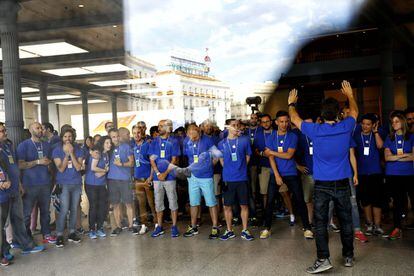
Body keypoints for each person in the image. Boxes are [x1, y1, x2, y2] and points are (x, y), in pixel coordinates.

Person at [288, 81, 358, 273]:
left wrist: (291, 103)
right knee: (346, 221)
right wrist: (350, 96)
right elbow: (354, 113)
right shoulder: (346, 127)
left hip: (322, 185)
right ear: (337, 113)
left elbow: (294, 119)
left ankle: (323, 258)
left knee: (320, 223)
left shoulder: (315, 130)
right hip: (343, 183)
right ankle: (348, 256)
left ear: (322, 114)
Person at [263, 111, 313, 239]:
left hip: (291, 172)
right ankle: (266, 228)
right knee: (269, 201)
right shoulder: (271, 137)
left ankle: (307, 228)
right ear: (276, 122)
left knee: (300, 200)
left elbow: (289, 155)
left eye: (286, 121)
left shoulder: (292, 136)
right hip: (276, 173)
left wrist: (272, 152)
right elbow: (270, 159)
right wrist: (277, 175)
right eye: (281, 121)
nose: (284, 124)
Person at [17, 122, 56, 244]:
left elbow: (50, 162)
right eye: (37, 128)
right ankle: (26, 237)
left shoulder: (47, 145)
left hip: (45, 183)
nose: (40, 130)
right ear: (30, 130)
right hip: (29, 184)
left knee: (46, 211)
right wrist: (38, 162)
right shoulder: (24, 145)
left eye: (41, 128)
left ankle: (46, 234)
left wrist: (50, 170)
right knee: (27, 213)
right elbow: (20, 164)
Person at [218, 119, 254, 241]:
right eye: (233, 125)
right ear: (227, 127)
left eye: (238, 125)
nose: (236, 127)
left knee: (244, 204)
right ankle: (229, 230)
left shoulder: (244, 140)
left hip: (242, 177)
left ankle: (244, 229)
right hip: (228, 178)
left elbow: (248, 156)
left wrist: (241, 167)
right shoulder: (221, 143)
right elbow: (221, 161)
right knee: (227, 206)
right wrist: (230, 169)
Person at [182, 125, 220, 239]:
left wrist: (209, 167)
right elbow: (187, 157)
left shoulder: (207, 140)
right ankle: (193, 227)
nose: (192, 136)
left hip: (206, 176)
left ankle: (215, 227)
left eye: (194, 133)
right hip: (192, 176)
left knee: (211, 202)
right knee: (194, 202)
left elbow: (217, 156)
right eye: (189, 133)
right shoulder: (186, 141)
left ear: (199, 132)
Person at [383, 113, 414, 240]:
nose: (394, 124)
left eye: (396, 121)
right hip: (393, 175)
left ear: (403, 122)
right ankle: (397, 228)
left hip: (409, 174)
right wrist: (405, 155)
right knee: (397, 202)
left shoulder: (411, 137)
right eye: (392, 122)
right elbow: (387, 158)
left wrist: (396, 157)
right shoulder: (389, 138)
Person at [352, 114, 385, 236]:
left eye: (368, 124)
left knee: (377, 200)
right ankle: (369, 224)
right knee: (366, 200)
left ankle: (377, 225)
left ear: (373, 125)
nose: (365, 126)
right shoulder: (356, 136)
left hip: (376, 172)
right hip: (362, 173)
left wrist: (375, 132)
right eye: (363, 124)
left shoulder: (377, 134)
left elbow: (380, 146)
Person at [53, 128, 84, 247]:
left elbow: (78, 167)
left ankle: (72, 232)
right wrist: (66, 154)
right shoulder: (57, 150)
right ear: (62, 138)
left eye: (70, 136)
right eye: (65, 136)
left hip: (76, 183)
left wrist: (72, 153)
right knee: (64, 209)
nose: (67, 139)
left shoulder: (78, 150)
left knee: (74, 209)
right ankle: (59, 234)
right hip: (63, 184)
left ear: (73, 137)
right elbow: (60, 168)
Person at [149, 120, 180, 238]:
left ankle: (174, 226)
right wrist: (158, 173)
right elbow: (152, 159)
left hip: (170, 176)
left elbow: (174, 159)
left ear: (169, 128)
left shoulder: (174, 141)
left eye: (162, 126)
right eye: (159, 126)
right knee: (158, 203)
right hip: (158, 178)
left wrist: (165, 173)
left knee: (173, 201)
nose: (159, 128)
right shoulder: (154, 142)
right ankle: (159, 226)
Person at [107, 128, 136, 236]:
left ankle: (131, 225)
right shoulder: (108, 148)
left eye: (117, 136)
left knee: (128, 203)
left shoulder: (126, 147)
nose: (115, 139)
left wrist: (122, 164)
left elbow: (132, 163)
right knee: (115, 204)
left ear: (120, 136)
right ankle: (118, 226)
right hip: (112, 179)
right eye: (113, 137)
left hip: (124, 179)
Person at [85, 137, 112, 239]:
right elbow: (93, 168)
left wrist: (102, 172)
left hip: (101, 184)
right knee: (94, 206)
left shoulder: (106, 154)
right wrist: (105, 171)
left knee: (102, 207)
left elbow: (99, 172)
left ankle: (100, 228)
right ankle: (92, 229)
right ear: (102, 144)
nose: (109, 145)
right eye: (107, 143)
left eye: (110, 143)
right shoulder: (97, 153)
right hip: (91, 184)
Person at [132, 125, 155, 235]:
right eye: (134, 133)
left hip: (147, 179)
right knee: (141, 204)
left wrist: (151, 177)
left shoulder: (147, 145)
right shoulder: (133, 146)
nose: (136, 135)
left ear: (142, 134)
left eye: (138, 133)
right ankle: (144, 225)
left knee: (152, 203)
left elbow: (152, 163)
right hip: (137, 180)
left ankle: (157, 223)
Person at [296, 116, 315, 227]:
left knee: (323, 199)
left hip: (321, 173)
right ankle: (309, 222)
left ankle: (328, 222)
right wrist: (297, 166)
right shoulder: (299, 137)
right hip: (307, 173)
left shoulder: (319, 135)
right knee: (307, 199)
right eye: (306, 125)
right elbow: (290, 153)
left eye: (311, 124)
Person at [0, 158, 11, 266]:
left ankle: (5, 251)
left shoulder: (1, 163)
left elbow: (5, 176)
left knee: (2, 227)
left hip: (4, 199)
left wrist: (8, 182)